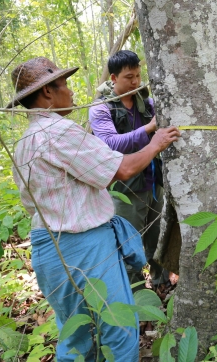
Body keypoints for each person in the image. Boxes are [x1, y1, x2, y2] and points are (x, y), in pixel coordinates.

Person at [8, 57, 180, 361]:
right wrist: (155, 144)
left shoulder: (25, 141)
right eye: (65, 86)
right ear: (48, 92)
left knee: (77, 335)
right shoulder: (59, 132)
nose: (72, 93)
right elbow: (122, 169)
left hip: (48, 246)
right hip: (84, 246)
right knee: (119, 329)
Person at [89, 50, 169, 288]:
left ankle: (161, 284)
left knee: (157, 239)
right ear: (113, 78)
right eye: (128, 77)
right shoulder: (101, 109)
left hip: (153, 182)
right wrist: (149, 130)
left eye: (137, 75)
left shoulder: (147, 103)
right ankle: (133, 295)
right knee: (128, 244)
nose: (135, 81)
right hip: (123, 188)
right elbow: (110, 143)